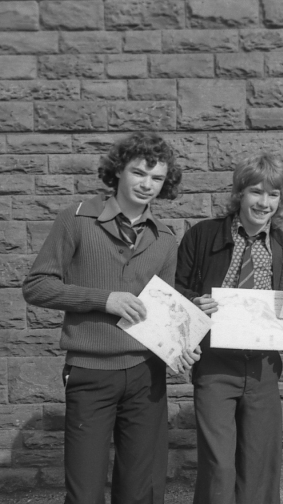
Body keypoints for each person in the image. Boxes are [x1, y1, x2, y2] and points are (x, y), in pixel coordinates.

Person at [23, 132, 197, 504]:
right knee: (84, 492)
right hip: (90, 372)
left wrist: (180, 348)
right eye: (139, 173)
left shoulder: (165, 238)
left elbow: (164, 312)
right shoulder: (76, 220)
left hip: (146, 375)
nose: (147, 184)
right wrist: (105, 300)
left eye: (157, 178)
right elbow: (37, 287)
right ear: (118, 170)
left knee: (140, 491)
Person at [175, 153, 283, 504]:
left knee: (259, 465)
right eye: (256, 192)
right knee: (219, 465)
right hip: (215, 365)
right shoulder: (202, 236)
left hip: (263, 367)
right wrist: (195, 302)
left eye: (273, 195)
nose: (264, 203)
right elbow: (176, 290)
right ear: (239, 193)